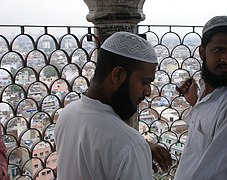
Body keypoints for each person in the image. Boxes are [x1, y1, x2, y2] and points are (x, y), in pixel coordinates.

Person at [55, 31, 171, 180]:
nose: (148, 92)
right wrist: (137, 147)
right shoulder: (130, 146)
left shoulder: (67, 114)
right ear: (118, 75)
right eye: (145, 82)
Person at [174, 16, 227, 179]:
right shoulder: (207, 90)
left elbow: (220, 174)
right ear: (202, 52)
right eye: (219, 50)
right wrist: (195, 103)